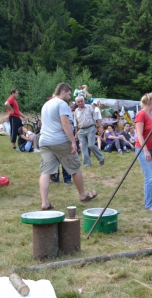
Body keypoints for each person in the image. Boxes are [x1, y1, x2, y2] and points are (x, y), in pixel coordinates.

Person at [39, 82, 97, 210]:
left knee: (46, 172)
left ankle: (45, 202)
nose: (70, 97)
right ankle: (83, 195)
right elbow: (65, 124)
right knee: (75, 167)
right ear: (63, 92)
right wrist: (72, 141)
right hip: (59, 140)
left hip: (44, 141)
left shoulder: (46, 104)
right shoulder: (61, 104)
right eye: (69, 94)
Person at [74, 95, 105, 167]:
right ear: (77, 103)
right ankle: (87, 164)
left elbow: (96, 117)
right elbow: (75, 123)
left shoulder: (89, 107)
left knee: (91, 145)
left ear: (84, 101)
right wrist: (76, 134)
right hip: (81, 130)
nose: (80, 103)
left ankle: (101, 158)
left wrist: (99, 126)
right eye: (79, 102)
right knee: (83, 147)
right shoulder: (76, 111)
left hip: (90, 128)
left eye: (82, 101)